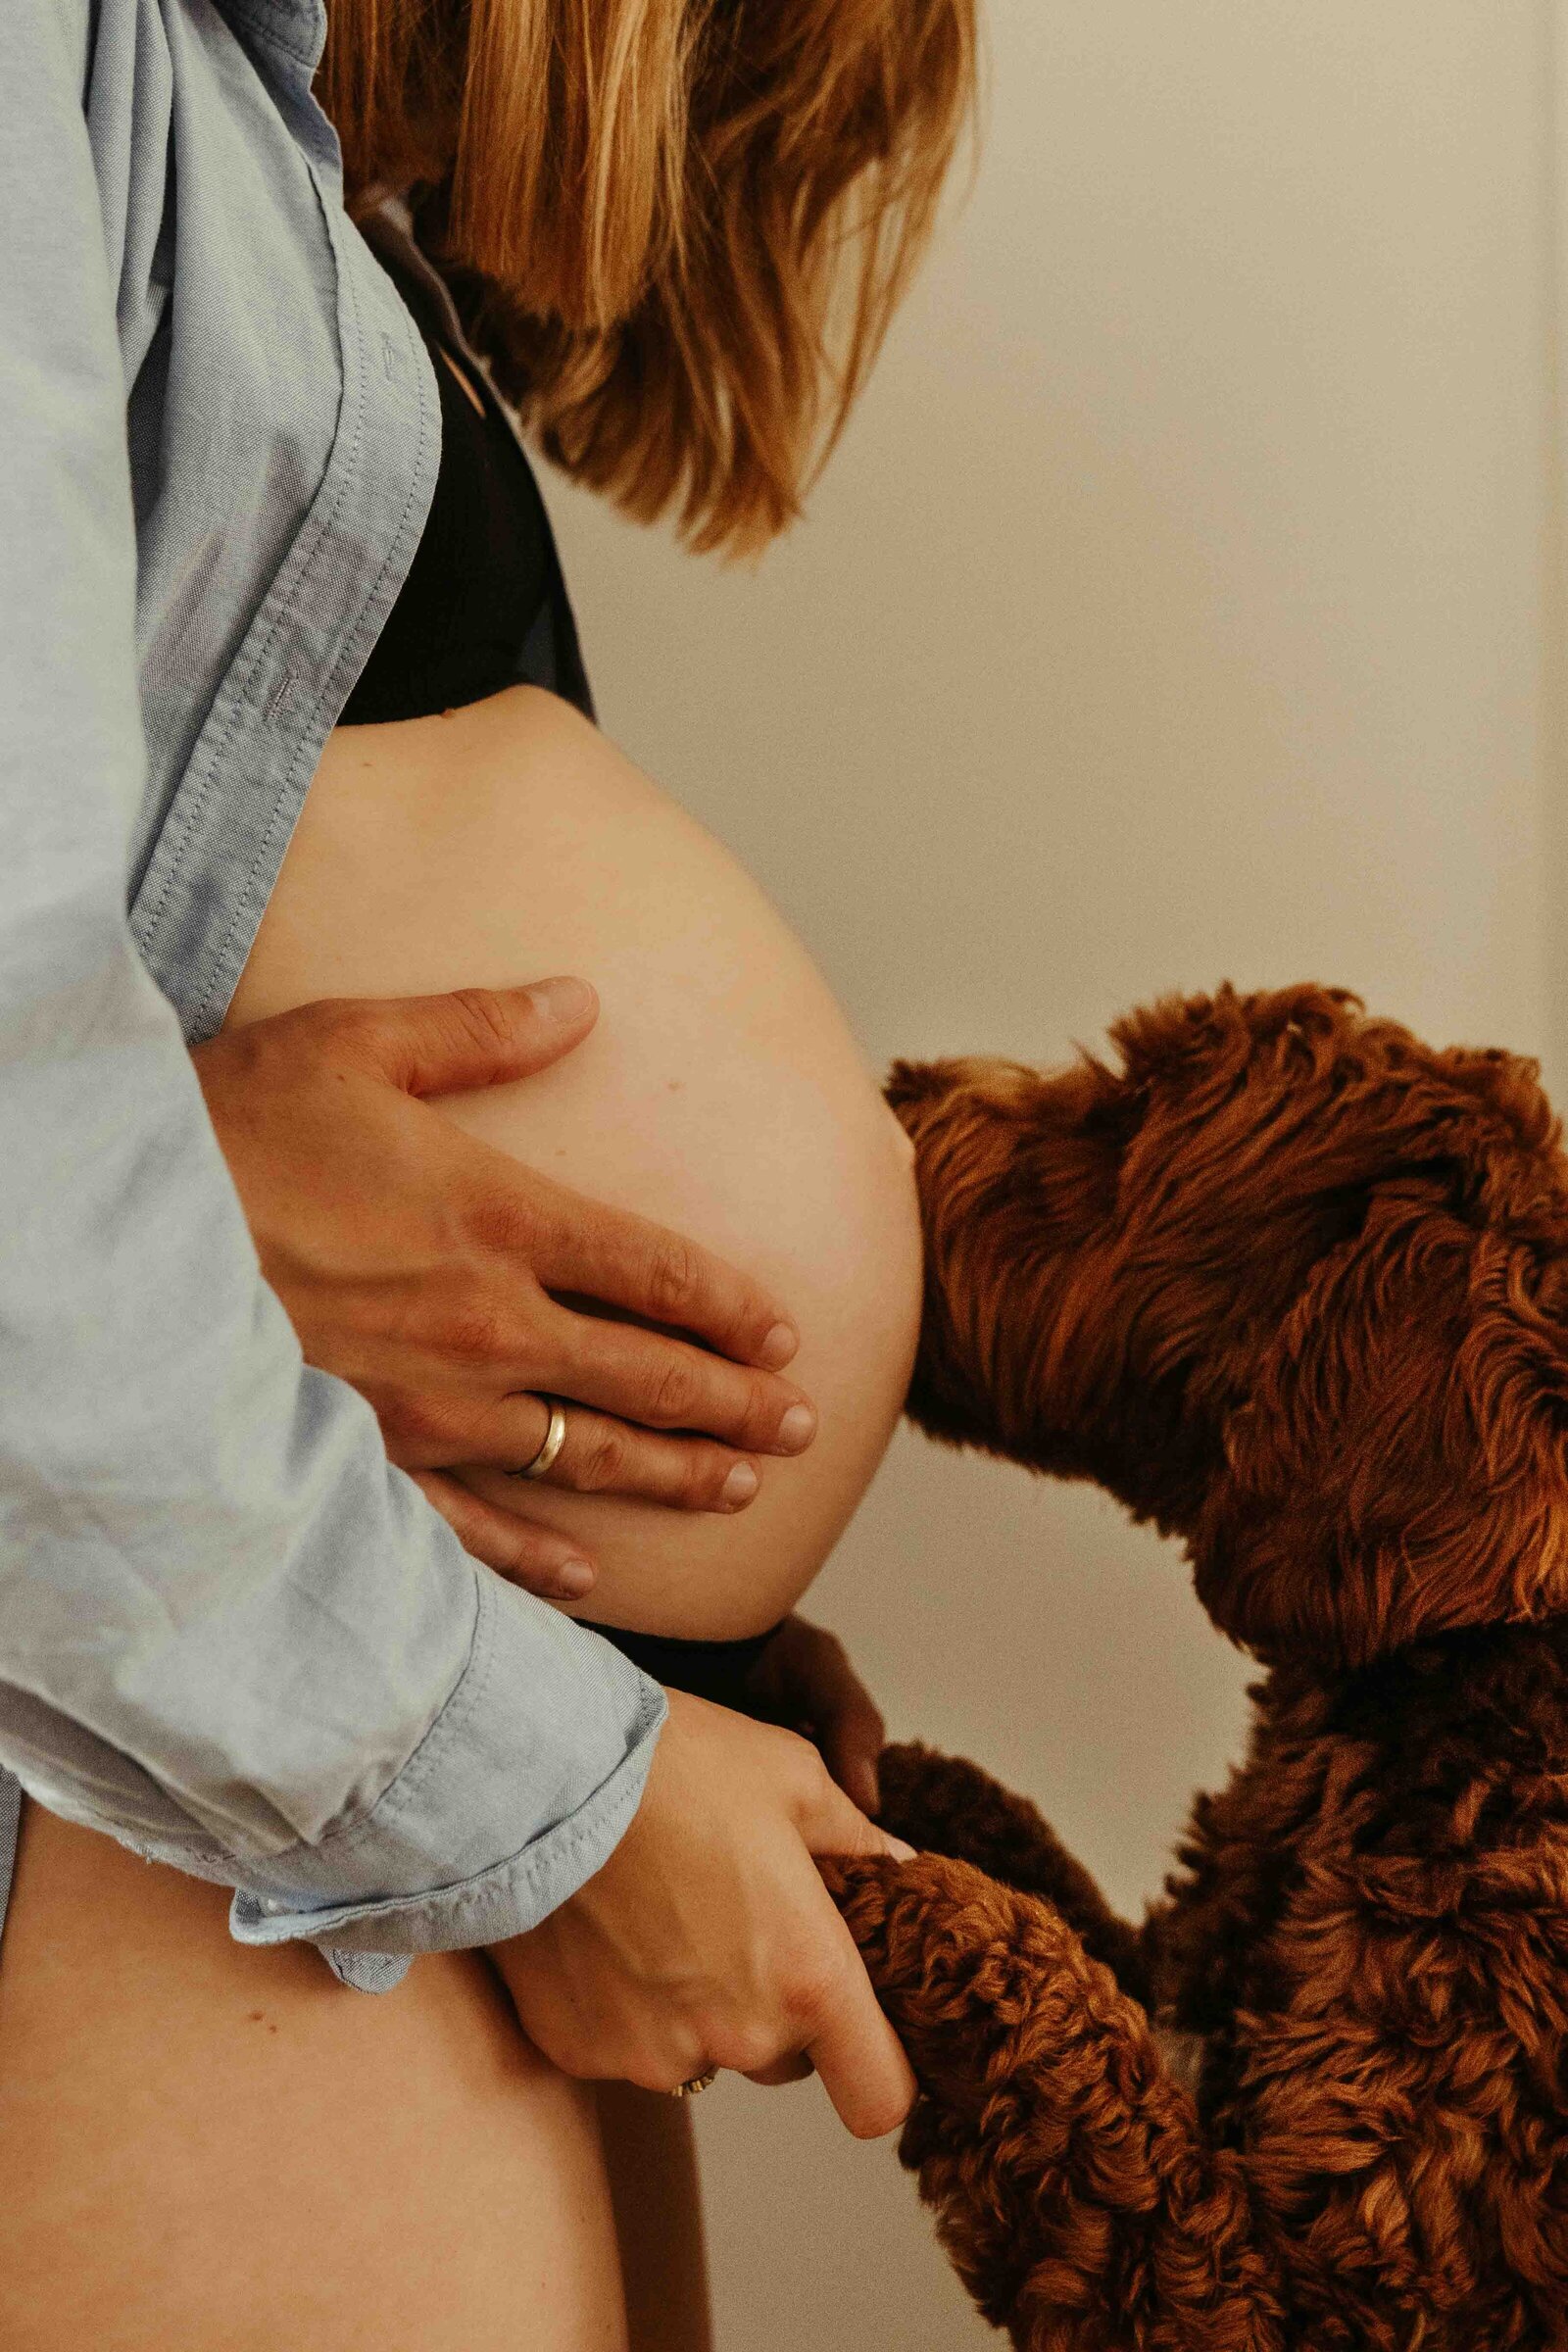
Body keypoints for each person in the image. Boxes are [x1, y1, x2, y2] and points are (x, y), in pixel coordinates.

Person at [0, 0, 976, 2343]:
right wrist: (544, 1792)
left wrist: (658, 1634)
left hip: (378, 1698)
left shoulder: (272, 138)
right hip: (235, 1764)